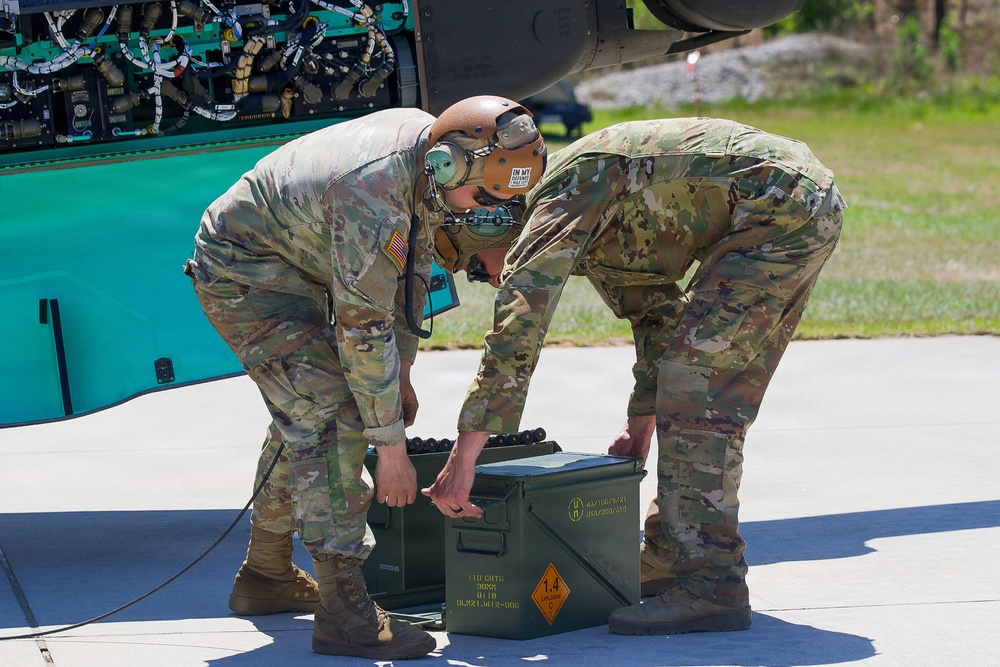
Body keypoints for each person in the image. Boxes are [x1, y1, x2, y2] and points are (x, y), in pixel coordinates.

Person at [423, 117, 845, 636]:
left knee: (698, 394)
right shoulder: (591, 222)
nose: (487, 279)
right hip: (790, 205)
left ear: (491, 223)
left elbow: (517, 334)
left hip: (780, 205)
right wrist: (640, 424)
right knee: (691, 384)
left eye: (474, 266)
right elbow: (656, 316)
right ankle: (673, 558)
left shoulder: (561, 201)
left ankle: (713, 583)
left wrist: (465, 459)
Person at [184, 95, 546, 659]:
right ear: (449, 165)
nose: (483, 212)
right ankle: (344, 612)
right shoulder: (373, 191)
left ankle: (266, 576)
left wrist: (402, 375)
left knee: (305, 411)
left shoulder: (430, 164)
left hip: (299, 267)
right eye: (482, 197)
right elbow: (363, 329)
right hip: (245, 276)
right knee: (334, 417)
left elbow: (410, 273)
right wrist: (390, 450)